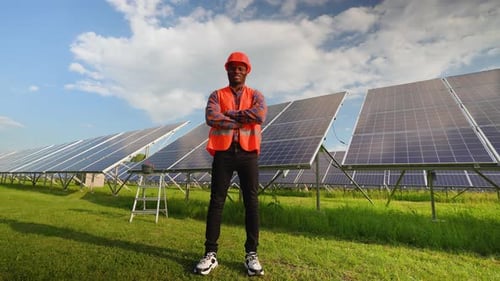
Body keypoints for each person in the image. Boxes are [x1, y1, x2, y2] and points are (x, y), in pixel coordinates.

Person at [194, 51, 267, 276]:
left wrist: (231, 116)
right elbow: (211, 118)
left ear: (247, 71)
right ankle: (210, 254)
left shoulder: (257, 95)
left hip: (248, 154)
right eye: (233, 67)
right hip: (223, 154)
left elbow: (259, 115)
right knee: (216, 202)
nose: (236, 71)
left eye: (241, 68)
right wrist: (240, 120)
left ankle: (251, 254)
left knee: (251, 203)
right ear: (227, 70)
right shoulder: (216, 95)